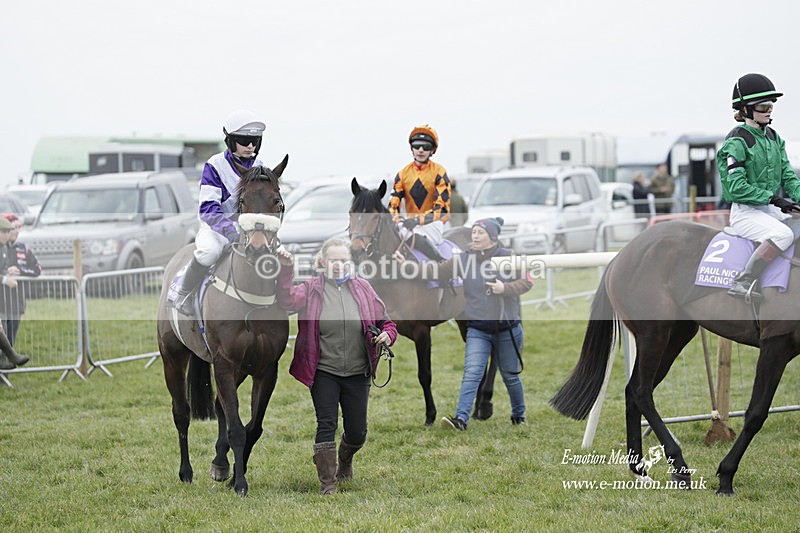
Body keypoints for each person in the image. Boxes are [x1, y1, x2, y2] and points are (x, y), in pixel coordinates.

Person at [276, 238, 398, 495]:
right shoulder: (311, 289)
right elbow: (287, 302)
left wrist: (388, 335)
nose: (339, 265)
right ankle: (328, 483)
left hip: (358, 372)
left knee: (357, 432)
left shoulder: (363, 288)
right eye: (333, 261)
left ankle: (344, 459)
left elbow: (387, 322)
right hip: (323, 372)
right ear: (322, 262)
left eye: (343, 261)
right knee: (326, 423)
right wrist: (287, 269)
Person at [409, 217, 532, 430]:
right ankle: (461, 419)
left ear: (492, 237)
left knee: (510, 376)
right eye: (473, 232)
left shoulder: (508, 258)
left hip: (508, 329)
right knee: (472, 373)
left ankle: (518, 415)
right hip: (478, 329)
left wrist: (505, 289)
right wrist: (408, 267)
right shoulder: (462, 260)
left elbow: (528, 281)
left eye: (480, 233)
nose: (474, 236)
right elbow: (435, 271)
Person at [172, 110, 268, 315]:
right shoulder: (214, 166)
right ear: (231, 141)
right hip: (216, 228)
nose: (250, 146)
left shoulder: (260, 167)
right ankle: (184, 294)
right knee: (209, 253)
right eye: (244, 140)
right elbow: (208, 208)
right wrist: (229, 231)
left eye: (255, 141)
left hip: (250, 231)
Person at [716, 73, 800, 300]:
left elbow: (788, 177)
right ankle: (743, 280)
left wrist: (796, 197)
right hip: (745, 213)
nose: (769, 110)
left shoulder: (774, 137)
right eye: (762, 106)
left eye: (771, 105)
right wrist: (775, 199)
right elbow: (736, 188)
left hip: (769, 209)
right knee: (783, 235)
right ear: (745, 110)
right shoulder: (736, 141)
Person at [388, 125, 451, 261]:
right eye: (417, 146)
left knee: (411, 235)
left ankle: (442, 265)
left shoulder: (439, 172)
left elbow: (442, 209)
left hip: (432, 224)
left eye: (426, 146)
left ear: (432, 150)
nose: (421, 150)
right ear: (412, 148)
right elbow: (393, 205)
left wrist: (418, 220)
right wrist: (397, 219)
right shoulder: (402, 174)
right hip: (409, 224)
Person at [1, 213, 41, 346]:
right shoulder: (2, 248)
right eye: (13, 227)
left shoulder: (23, 248)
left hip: (16, 302)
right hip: (2, 301)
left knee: (10, 340)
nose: (16, 231)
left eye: (19, 227)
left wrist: (21, 271)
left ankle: (8, 363)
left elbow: (37, 269)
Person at [0, 217, 29, 370]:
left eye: (8, 231)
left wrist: (8, 271)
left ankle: (9, 357)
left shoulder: (4, 248)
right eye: (3, 232)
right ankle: (10, 356)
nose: (7, 235)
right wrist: (4, 279)